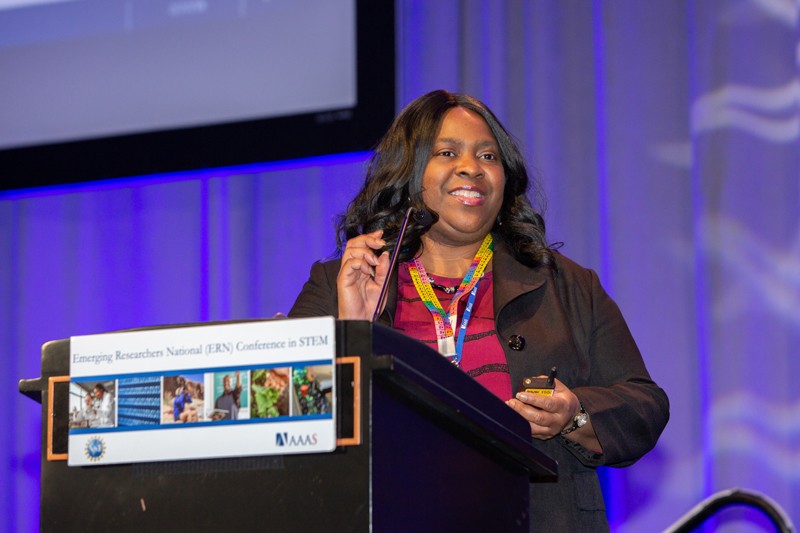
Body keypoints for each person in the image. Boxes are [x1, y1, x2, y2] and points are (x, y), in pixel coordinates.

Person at [289, 89, 669, 531]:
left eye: (488, 157)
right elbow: (292, 415)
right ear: (409, 173)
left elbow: (644, 405)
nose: (472, 168)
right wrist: (353, 330)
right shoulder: (343, 280)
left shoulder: (565, 284)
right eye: (447, 152)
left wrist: (574, 413)